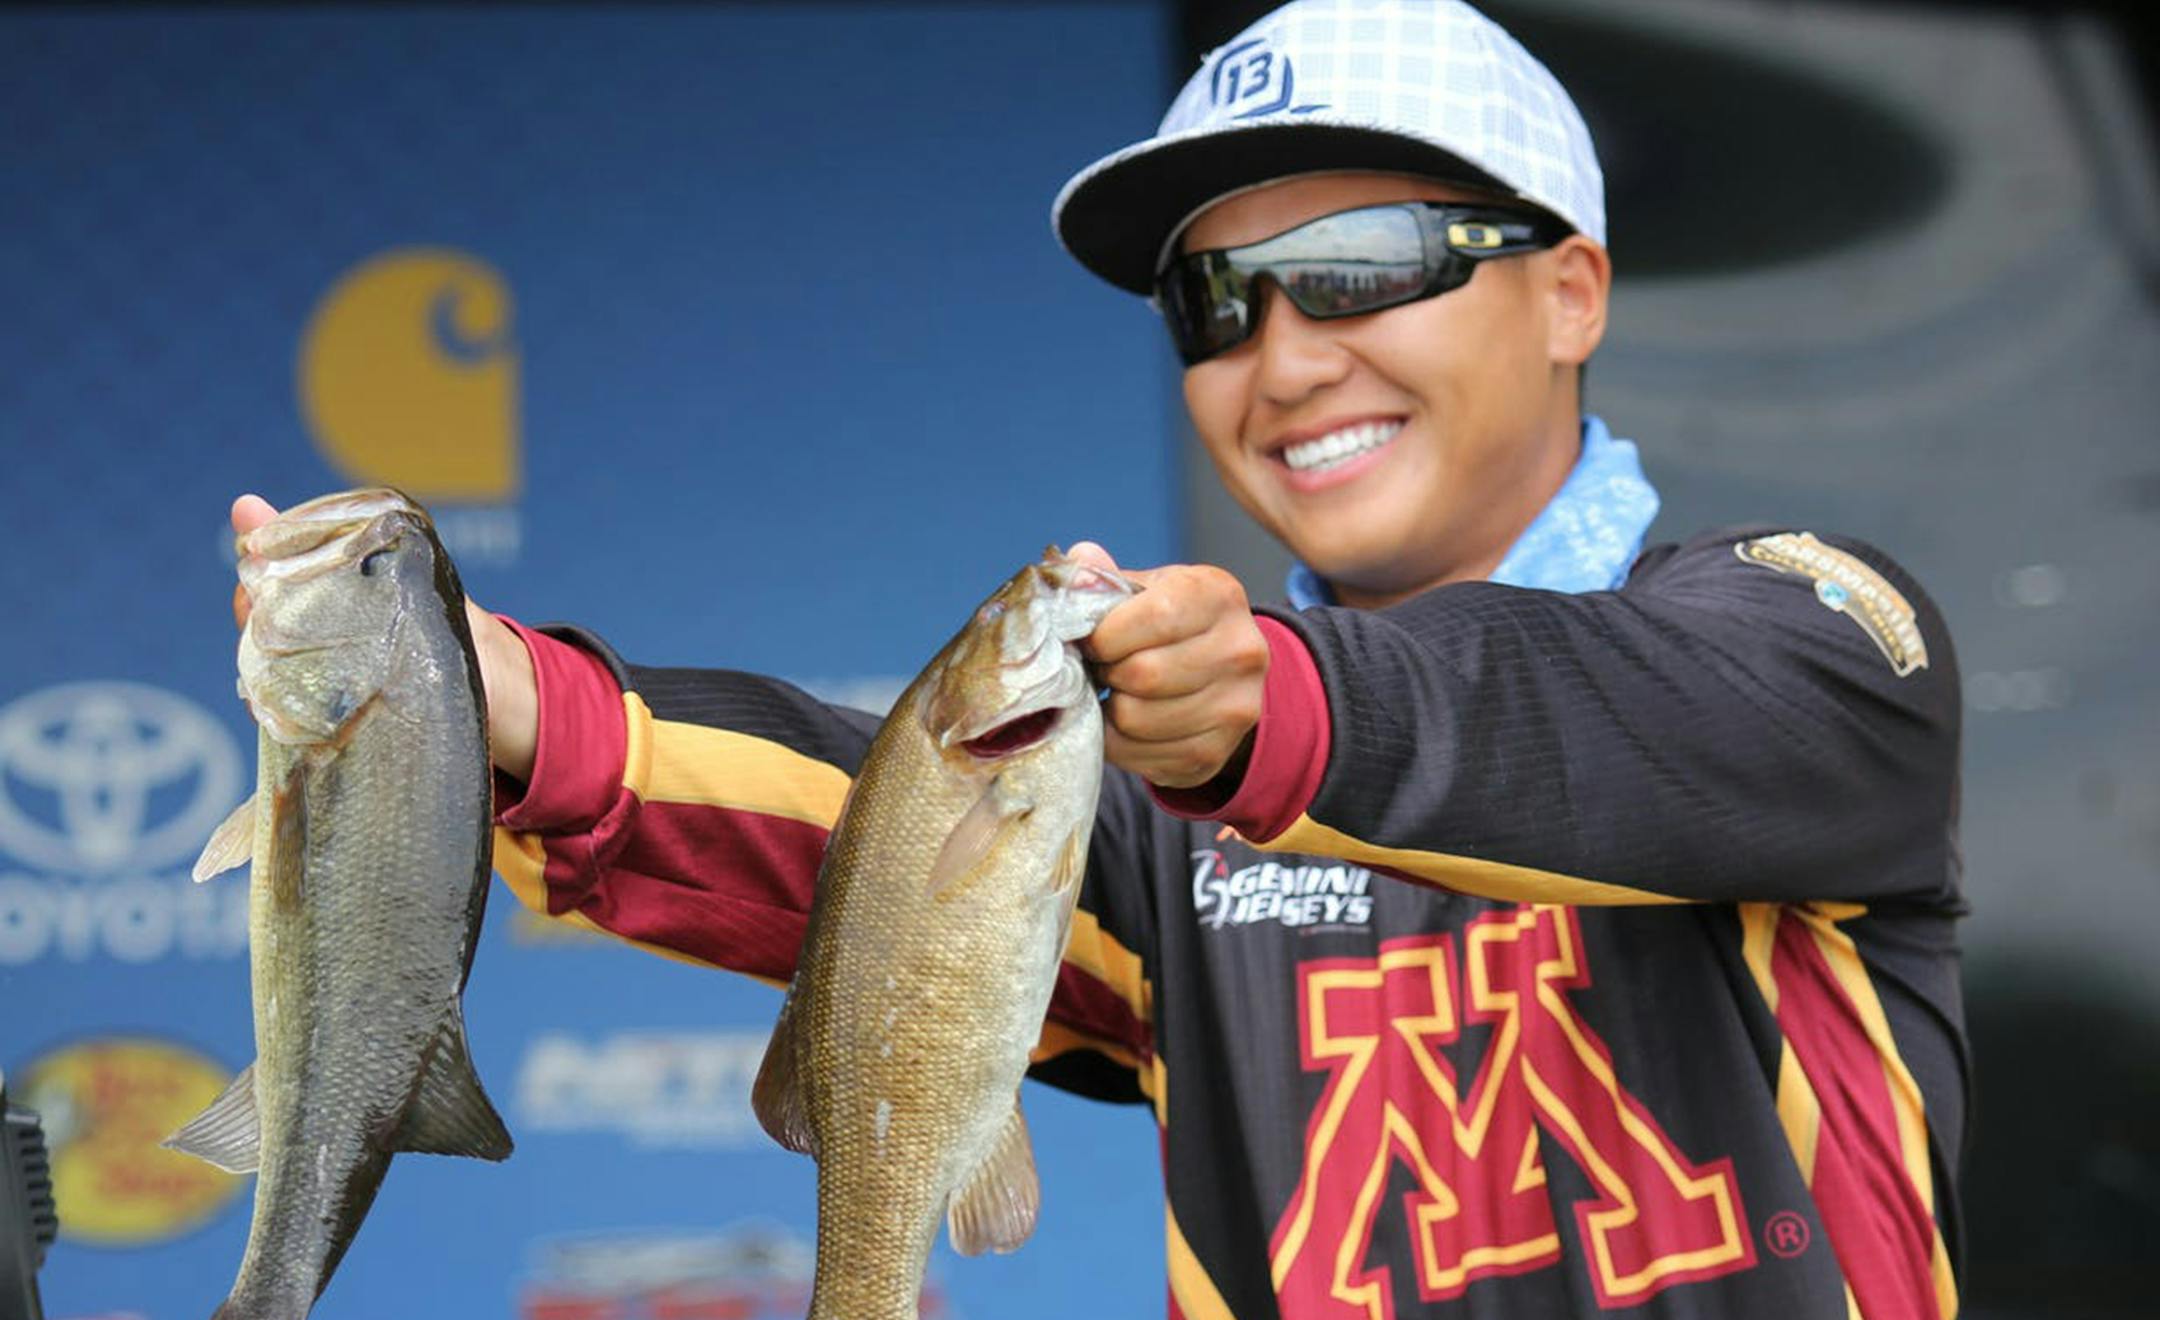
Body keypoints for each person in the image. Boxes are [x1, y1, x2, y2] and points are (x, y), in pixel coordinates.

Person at [233, 1, 1967, 1315]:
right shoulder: (1164, 804)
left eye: (1357, 268)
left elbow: (1593, 716)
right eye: (1216, 302)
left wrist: (1280, 707)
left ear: (1571, 292)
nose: (1284, 359)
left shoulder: (1816, 641)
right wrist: (504, 712)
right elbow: (889, 853)